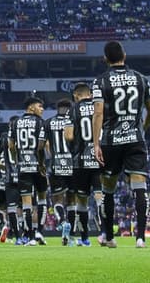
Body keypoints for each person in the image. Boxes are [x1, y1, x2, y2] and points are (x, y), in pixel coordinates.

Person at [92, 40, 150, 249]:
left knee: (108, 189)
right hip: (135, 140)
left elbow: (99, 113)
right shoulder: (141, 78)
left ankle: (109, 237)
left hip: (111, 141)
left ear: (105, 59)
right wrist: (142, 130)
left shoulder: (100, 81)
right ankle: (140, 238)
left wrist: (96, 144)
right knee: (139, 186)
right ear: (124, 56)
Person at [10, 96, 48, 245]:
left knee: (26, 203)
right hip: (38, 166)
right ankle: (40, 231)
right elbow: (42, 146)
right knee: (42, 198)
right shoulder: (40, 123)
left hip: (23, 167)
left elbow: (11, 146)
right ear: (31, 107)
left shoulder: (15, 123)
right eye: (40, 106)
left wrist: (17, 160)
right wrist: (42, 163)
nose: (42, 109)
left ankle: (30, 237)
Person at [67, 82, 99, 247]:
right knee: (101, 196)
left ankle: (85, 238)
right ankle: (106, 233)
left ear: (75, 96)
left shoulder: (72, 110)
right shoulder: (99, 106)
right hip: (100, 158)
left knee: (82, 201)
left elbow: (69, 136)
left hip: (80, 161)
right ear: (90, 94)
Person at [47, 98, 76, 244]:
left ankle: (63, 221)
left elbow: (45, 145)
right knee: (71, 200)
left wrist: (52, 157)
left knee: (57, 199)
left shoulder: (49, 122)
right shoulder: (73, 120)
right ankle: (70, 233)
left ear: (57, 108)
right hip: (72, 165)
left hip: (56, 164)